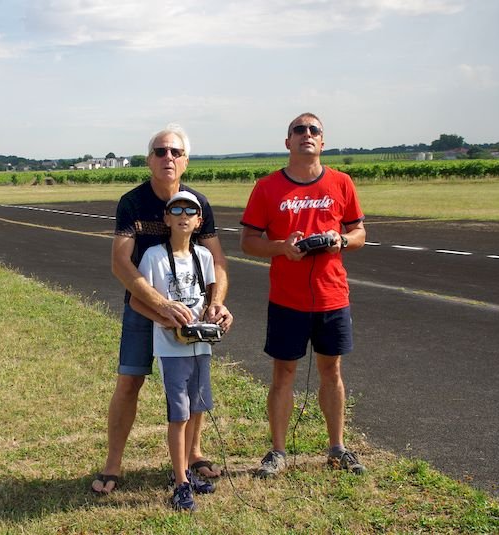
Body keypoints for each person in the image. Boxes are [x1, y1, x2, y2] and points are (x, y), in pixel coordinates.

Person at [91, 124, 234, 495]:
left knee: (193, 384)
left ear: (185, 161)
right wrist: (160, 304)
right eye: (160, 151)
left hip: (191, 315)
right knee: (130, 381)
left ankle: (193, 453)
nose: (167, 157)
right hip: (143, 308)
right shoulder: (132, 202)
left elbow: (217, 261)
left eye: (175, 152)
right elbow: (120, 263)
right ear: (148, 160)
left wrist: (216, 303)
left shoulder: (198, 203)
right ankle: (113, 463)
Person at [239, 113, 368, 477]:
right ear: (288, 142)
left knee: (332, 370)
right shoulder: (267, 187)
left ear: (322, 142)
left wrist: (340, 240)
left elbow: (359, 233)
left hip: (332, 296)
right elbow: (248, 241)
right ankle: (278, 451)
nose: (306, 134)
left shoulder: (341, 182)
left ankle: (337, 447)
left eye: (314, 130)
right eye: (299, 130)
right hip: (287, 299)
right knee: (283, 373)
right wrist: (282, 247)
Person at [138, 191, 220, 511]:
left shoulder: (204, 257)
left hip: (200, 346)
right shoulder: (154, 257)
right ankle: (181, 483)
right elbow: (137, 301)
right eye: (176, 210)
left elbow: (211, 298)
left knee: (197, 407)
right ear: (166, 219)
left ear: (199, 221)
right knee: (179, 413)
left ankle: (185, 470)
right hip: (171, 349)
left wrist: (216, 314)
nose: (183, 216)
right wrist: (164, 319)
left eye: (190, 211)